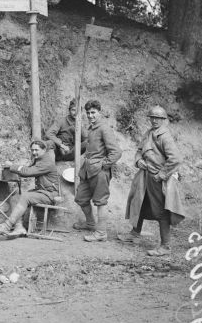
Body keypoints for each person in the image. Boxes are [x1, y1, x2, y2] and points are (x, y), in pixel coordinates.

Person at [118, 106, 185, 256]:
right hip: (145, 175)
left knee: (161, 211)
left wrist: (161, 175)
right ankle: (135, 233)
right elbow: (139, 151)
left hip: (158, 178)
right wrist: (138, 161)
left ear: (163, 120)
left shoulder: (165, 137)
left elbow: (176, 159)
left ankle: (165, 246)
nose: (154, 120)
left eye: (158, 118)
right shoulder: (148, 133)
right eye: (152, 117)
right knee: (140, 202)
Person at [73, 100, 122, 242]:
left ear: (99, 112)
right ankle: (90, 223)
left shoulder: (104, 128)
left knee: (100, 201)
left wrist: (103, 165)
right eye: (88, 113)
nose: (90, 115)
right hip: (88, 170)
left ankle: (101, 233)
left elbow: (116, 152)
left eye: (93, 112)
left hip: (99, 172)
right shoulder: (92, 128)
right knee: (81, 198)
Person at [0, 140, 59, 238]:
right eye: (32, 150)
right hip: (42, 192)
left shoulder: (47, 162)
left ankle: (6, 226)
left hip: (50, 194)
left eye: (36, 150)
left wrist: (12, 166)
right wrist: (12, 167)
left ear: (44, 149)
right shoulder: (39, 159)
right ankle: (19, 228)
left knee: (26, 197)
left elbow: (28, 172)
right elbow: (26, 169)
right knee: (16, 197)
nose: (34, 152)